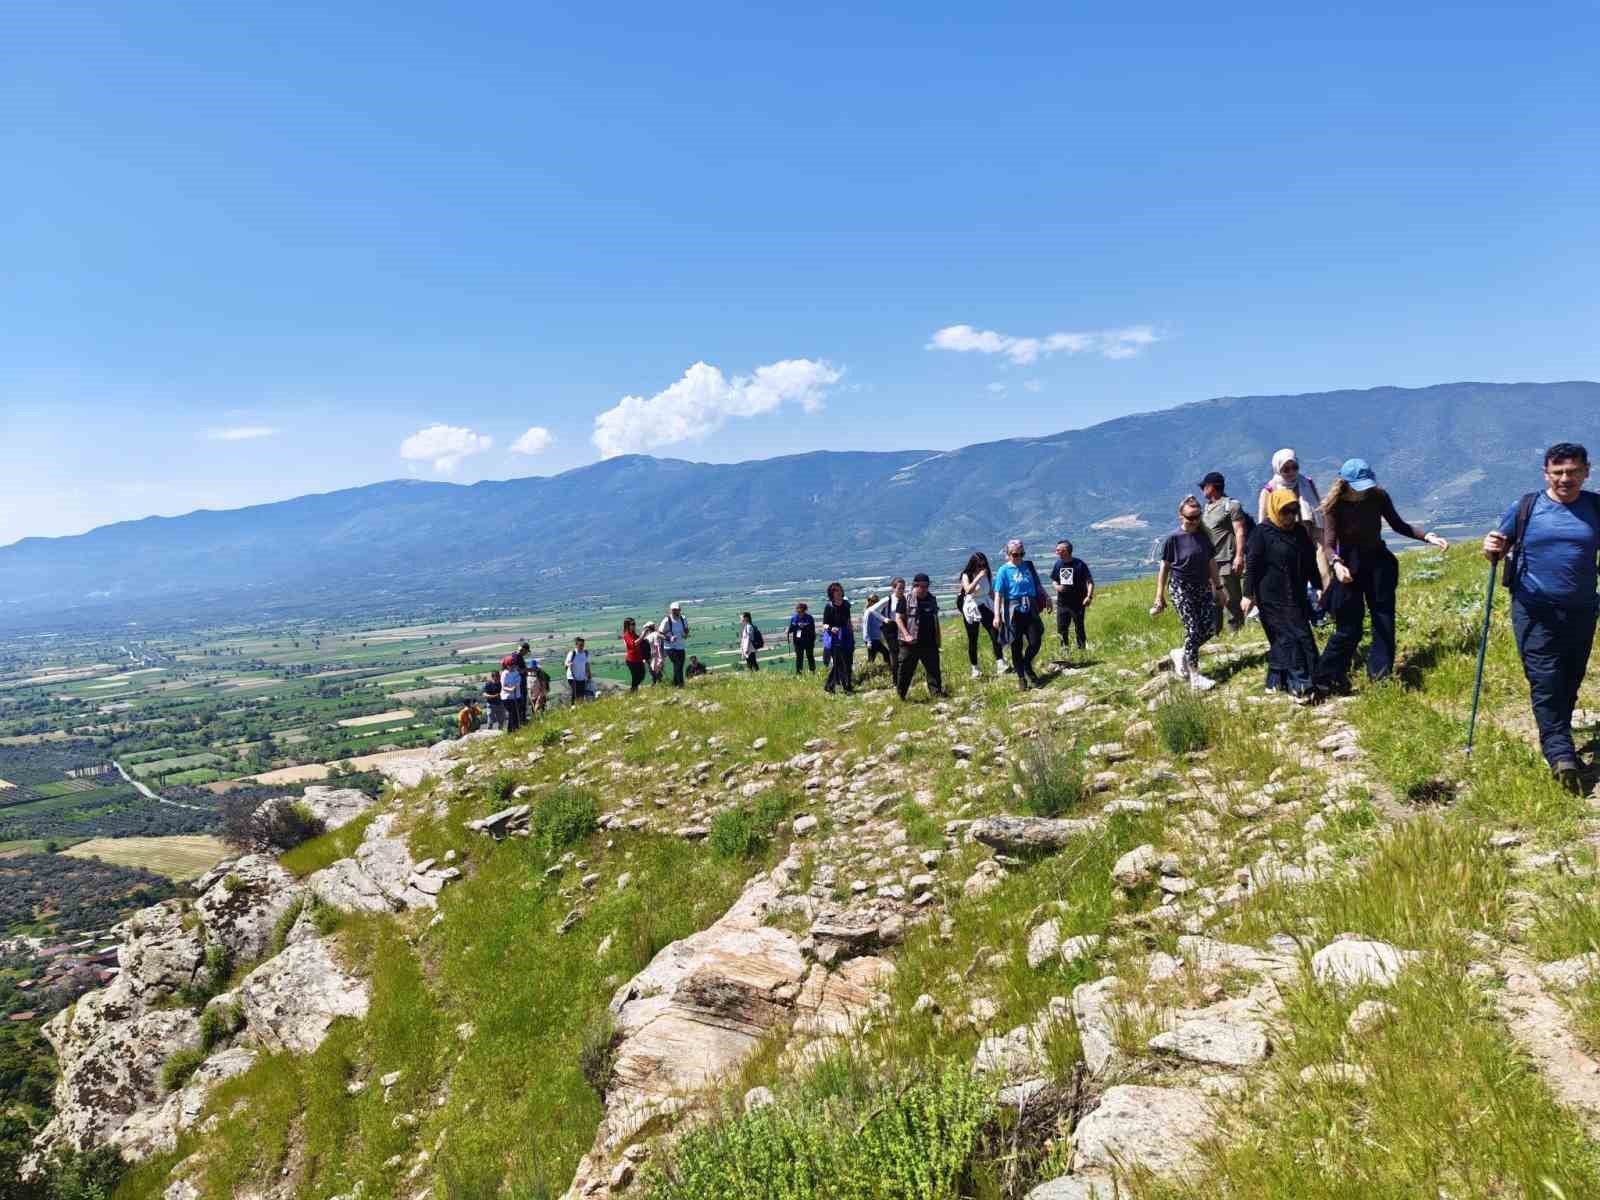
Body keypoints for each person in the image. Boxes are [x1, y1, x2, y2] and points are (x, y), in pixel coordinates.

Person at [1483, 442, 1600, 793]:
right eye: (1558, 472)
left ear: (1586, 472)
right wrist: (1491, 548)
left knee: (1569, 678)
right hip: (1534, 608)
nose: (1566, 478)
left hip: (1581, 609)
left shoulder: (1596, 507)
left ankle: (1558, 738)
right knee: (1545, 678)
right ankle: (1560, 753)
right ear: (1546, 474)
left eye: (1573, 471)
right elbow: (1498, 544)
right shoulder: (1527, 507)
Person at [1314, 459, 1448, 693]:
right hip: (1348, 569)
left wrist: (1428, 537)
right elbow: (1328, 544)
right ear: (1345, 483)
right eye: (1359, 485)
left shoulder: (1378, 497)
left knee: (1384, 621)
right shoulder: (1334, 506)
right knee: (1349, 628)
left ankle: (1380, 677)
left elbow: (1398, 525)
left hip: (1378, 563)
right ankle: (1324, 678)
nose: (1364, 490)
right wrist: (1336, 563)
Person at [1243, 489, 1322, 701]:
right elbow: (1251, 566)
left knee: (1300, 637)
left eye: (1294, 511)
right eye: (1285, 511)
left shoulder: (1299, 532)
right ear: (1275, 510)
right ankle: (1302, 686)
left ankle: (1275, 682)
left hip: (1295, 594)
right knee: (1289, 640)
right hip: (1270, 597)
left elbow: (1310, 562)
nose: (1290, 516)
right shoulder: (1261, 533)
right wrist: (1247, 595)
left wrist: (1318, 586)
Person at [1152, 496, 1228, 689]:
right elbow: (1164, 568)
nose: (1194, 521)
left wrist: (1219, 588)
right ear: (1181, 516)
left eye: (1197, 517)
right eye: (1190, 517)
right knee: (1192, 628)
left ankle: (1182, 654)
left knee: (1210, 628)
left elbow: (1211, 563)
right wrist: (1159, 596)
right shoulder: (1173, 539)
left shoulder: (1204, 537)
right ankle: (1195, 676)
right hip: (1180, 587)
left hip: (1202, 587)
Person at [992, 539, 1049, 689]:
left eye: (1021, 554)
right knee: (1016, 645)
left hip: (1030, 607)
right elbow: (998, 594)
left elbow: (1037, 584)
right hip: (1013, 609)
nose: (1018, 557)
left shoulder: (1028, 566)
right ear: (1008, 554)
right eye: (1015, 554)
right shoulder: (1003, 570)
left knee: (1035, 641)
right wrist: (997, 615)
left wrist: (1047, 597)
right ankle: (1022, 677)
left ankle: (1026, 663)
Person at [1199, 473, 1250, 634]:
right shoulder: (1206, 508)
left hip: (1226, 560)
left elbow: (1240, 531)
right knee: (1214, 600)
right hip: (1210, 562)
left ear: (1211, 487)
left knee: (1231, 600)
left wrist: (1239, 556)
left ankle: (1236, 632)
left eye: (1203, 486)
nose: (1202, 490)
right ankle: (1216, 633)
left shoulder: (1231, 506)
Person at [895, 573, 945, 699]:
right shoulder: (905, 599)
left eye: (926, 586)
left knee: (933, 669)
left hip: (929, 641)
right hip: (910, 642)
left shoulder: (932, 599)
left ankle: (936, 694)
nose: (924, 589)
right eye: (921, 586)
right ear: (915, 586)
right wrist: (906, 635)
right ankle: (901, 696)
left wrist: (938, 638)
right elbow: (898, 619)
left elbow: (935, 619)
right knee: (905, 670)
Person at [958, 553, 1005, 678]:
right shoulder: (966, 575)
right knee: (973, 638)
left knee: (994, 632)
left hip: (984, 604)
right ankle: (974, 668)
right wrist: (978, 576)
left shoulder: (987, 574)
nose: (982, 567)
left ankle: (1000, 663)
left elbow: (990, 592)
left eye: (983, 565)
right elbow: (968, 590)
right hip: (972, 607)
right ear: (973, 564)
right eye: (979, 565)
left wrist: (999, 607)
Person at [1049, 540, 1095, 653]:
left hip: (1078, 602)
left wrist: (1088, 597)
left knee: (1079, 627)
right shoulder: (1058, 564)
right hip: (1062, 603)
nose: (1056, 552)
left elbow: (1090, 582)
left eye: (1059, 550)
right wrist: (1057, 587)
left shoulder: (1079, 564)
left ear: (1066, 551)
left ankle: (1082, 651)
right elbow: (1054, 581)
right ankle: (1065, 652)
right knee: (1062, 629)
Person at [822, 582, 855, 694]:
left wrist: (851, 632)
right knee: (840, 663)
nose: (839, 591)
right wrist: (831, 628)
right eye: (836, 590)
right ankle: (847, 687)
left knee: (848, 661)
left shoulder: (846, 604)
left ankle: (829, 685)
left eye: (839, 589)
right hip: (835, 637)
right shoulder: (829, 606)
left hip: (846, 635)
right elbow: (825, 624)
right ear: (831, 593)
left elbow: (848, 620)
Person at [882, 577, 908, 680]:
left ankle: (902, 676)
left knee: (903, 653)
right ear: (893, 588)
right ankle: (895, 679)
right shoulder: (889, 599)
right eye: (899, 588)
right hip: (891, 628)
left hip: (902, 627)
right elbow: (871, 610)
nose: (902, 590)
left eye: (903, 588)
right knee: (894, 654)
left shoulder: (905, 598)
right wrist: (884, 619)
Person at [661, 603, 690, 687]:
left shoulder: (683, 618)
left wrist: (686, 634)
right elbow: (660, 634)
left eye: (676, 609)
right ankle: (681, 685)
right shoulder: (666, 620)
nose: (674, 611)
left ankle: (675, 684)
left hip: (680, 646)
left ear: (679, 610)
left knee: (679, 665)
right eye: (673, 610)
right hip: (670, 647)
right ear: (670, 610)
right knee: (678, 664)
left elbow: (686, 629)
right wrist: (669, 638)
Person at [862, 593, 891, 666]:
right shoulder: (869, 612)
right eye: (875, 601)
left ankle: (871, 672)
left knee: (872, 658)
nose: (877, 603)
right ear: (870, 601)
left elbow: (878, 624)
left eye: (877, 601)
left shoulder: (874, 612)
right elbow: (866, 626)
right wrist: (868, 641)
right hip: (872, 639)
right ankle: (887, 669)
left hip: (875, 638)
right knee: (884, 654)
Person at [787, 602, 817, 674]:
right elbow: (791, 629)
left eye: (801, 611)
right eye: (798, 611)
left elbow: (812, 629)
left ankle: (812, 671)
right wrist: (792, 628)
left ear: (805, 610)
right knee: (799, 657)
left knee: (810, 656)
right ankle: (799, 673)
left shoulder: (809, 618)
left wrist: (804, 626)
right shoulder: (794, 618)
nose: (800, 613)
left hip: (808, 640)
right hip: (798, 641)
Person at [499, 654, 524, 731]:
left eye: (514, 665)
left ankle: (515, 728)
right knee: (512, 713)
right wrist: (510, 689)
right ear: (507, 666)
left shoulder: (516, 673)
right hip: (507, 698)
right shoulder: (504, 674)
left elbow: (518, 682)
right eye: (511, 665)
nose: (513, 667)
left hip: (517, 696)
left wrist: (514, 687)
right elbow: (504, 687)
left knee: (517, 713)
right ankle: (511, 730)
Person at [621, 618, 646, 692]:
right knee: (636, 677)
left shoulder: (633, 634)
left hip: (638, 658)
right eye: (632, 624)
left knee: (641, 675)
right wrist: (642, 636)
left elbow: (639, 642)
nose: (634, 625)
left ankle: (633, 690)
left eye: (634, 624)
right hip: (632, 660)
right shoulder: (626, 635)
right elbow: (633, 644)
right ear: (627, 625)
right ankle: (633, 691)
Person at [565, 638, 591, 705]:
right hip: (572, 677)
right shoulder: (572, 653)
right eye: (580, 645)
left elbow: (587, 664)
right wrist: (569, 664)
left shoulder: (585, 653)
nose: (582, 646)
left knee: (581, 693)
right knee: (575, 692)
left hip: (582, 677)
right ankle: (573, 706)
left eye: (583, 645)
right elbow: (566, 663)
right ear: (576, 645)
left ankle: (580, 706)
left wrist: (589, 675)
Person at [514, 641, 533, 725]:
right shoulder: (516, 657)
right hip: (519, 683)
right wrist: (529, 670)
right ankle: (521, 720)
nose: (526, 653)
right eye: (526, 651)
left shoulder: (518, 656)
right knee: (521, 702)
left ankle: (522, 719)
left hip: (522, 682)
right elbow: (518, 670)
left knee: (523, 702)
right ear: (523, 649)